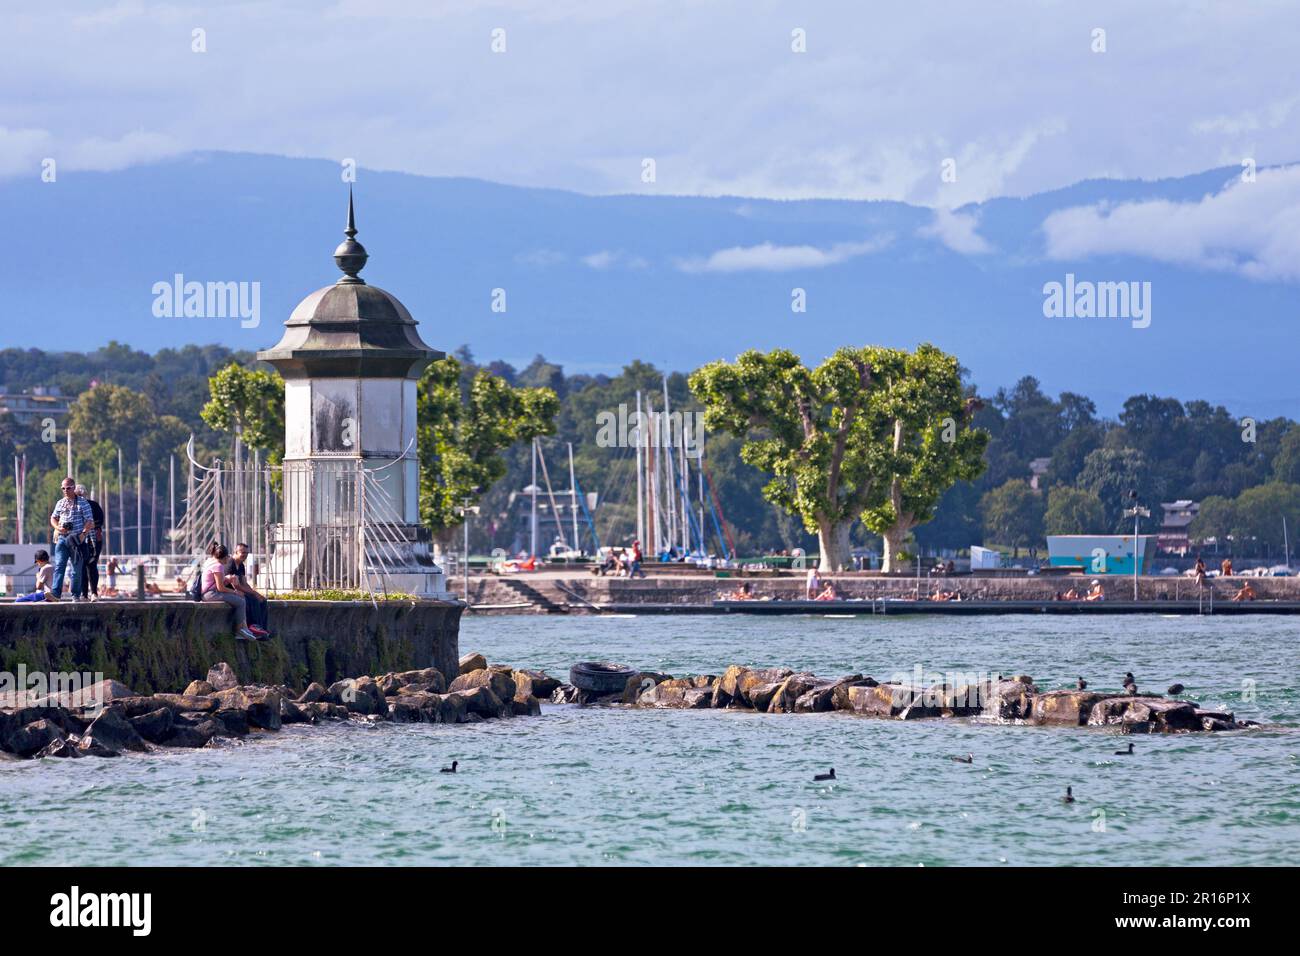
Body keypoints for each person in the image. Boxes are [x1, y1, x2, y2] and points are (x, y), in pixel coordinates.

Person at [48, 476, 95, 601]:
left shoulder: (83, 503)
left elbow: (89, 520)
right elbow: (53, 518)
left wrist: (83, 534)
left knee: (76, 569)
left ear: (74, 488)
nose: (65, 490)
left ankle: (75, 595)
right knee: (59, 566)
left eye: (68, 488)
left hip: (76, 540)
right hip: (62, 538)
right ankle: (55, 594)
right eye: (63, 488)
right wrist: (58, 527)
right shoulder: (60, 503)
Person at [201, 542, 258, 641]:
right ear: (225, 557)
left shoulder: (213, 563)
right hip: (210, 594)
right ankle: (239, 630)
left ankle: (244, 627)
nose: (228, 559)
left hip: (211, 592)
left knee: (240, 599)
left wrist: (228, 579)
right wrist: (235, 592)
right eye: (228, 557)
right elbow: (220, 588)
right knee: (240, 601)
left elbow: (218, 583)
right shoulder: (218, 566)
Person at [228, 542, 270, 638]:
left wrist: (255, 593)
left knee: (263, 601)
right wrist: (253, 593)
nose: (245, 555)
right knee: (252, 600)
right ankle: (253, 625)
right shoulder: (231, 563)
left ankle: (262, 628)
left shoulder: (241, 565)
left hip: (239, 590)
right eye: (243, 553)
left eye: (247, 553)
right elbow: (236, 586)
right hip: (231, 591)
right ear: (236, 552)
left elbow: (244, 583)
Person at [73, 484, 105, 602]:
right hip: (79, 540)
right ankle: (84, 594)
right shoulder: (72, 507)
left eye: (82, 494)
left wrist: (88, 526)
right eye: (78, 495)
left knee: (92, 565)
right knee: (81, 566)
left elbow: (100, 521)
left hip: (94, 540)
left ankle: (94, 593)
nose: (80, 497)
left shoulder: (94, 505)